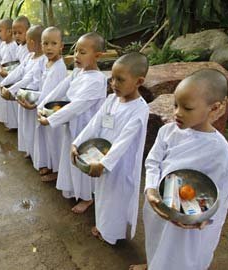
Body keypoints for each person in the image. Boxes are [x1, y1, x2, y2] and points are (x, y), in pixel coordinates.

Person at [130, 69, 228, 270]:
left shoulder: (219, 151)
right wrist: (151, 188)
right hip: (160, 202)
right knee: (157, 238)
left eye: (187, 108)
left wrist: (203, 219)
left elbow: (221, 191)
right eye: (176, 105)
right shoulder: (167, 131)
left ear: (214, 108)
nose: (177, 113)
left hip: (189, 216)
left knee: (179, 254)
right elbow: (153, 162)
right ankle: (154, 262)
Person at [72, 52, 149, 244]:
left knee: (116, 198)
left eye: (120, 80)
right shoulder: (112, 100)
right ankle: (103, 224)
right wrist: (77, 142)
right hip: (101, 157)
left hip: (120, 164)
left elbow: (124, 141)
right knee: (103, 194)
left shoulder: (139, 109)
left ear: (139, 81)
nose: (114, 83)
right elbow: (94, 123)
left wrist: (105, 163)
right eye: (112, 78)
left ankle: (112, 234)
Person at [39, 33, 107, 214]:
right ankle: (72, 188)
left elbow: (77, 106)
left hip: (86, 127)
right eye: (76, 50)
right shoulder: (78, 71)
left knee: (81, 160)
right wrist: (43, 105)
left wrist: (50, 119)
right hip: (72, 124)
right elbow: (61, 88)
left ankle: (86, 197)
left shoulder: (97, 80)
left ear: (97, 56)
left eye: (82, 52)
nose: (76, 55)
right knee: (69, 157)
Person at [2, 25, 45, 158]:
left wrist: (11, 90)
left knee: (33, 127)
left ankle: (36, 154)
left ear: (31, 42)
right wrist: (4, 83)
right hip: (23, 94)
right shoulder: (30, 56)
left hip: (32, 97)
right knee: (25, 125)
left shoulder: (42, 60)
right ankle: (29, 149)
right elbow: (19, 71)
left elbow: (29, 79)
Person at [32, 27, 67, 181]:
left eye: (54, 43)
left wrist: (35, 104)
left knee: (56, 141)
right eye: (45, 44)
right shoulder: (47, 63)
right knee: (48, 140)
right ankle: (50, 165)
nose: (49, 47)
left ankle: (58, 171)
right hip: (43, 107)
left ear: (61, 46)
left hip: (54, 110)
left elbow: (51, 94)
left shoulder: (59, 67)